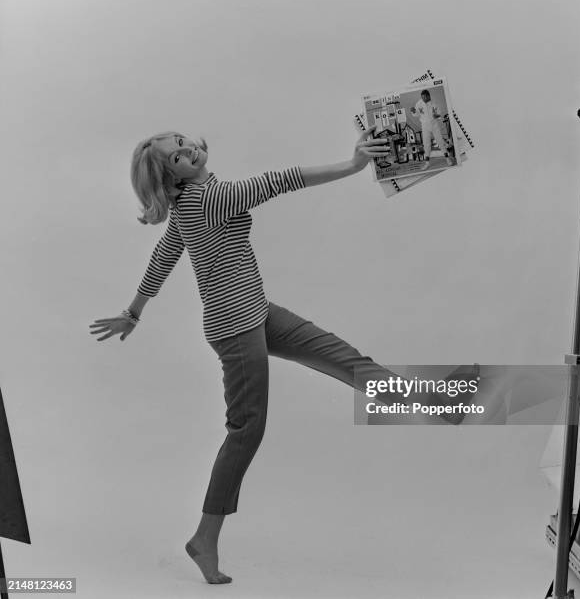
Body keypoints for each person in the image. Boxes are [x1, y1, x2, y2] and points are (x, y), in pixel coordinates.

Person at [89, 126, 476, 584]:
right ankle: (203, 539)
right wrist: (352, 166)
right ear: (171, 179)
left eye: (182, 142)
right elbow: (279, 180)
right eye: (176, 157)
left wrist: (132, 313)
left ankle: (427, 401)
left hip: (257, 311)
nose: (187, 150)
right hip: (236, 330)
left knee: (342, 357)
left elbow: (163, 257)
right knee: (246, 431)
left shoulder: (189, 205)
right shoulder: (209, 199)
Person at [410, 89, 454, 170]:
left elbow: (439, 113)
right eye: (422, 97)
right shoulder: (419, 103)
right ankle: (427, 163)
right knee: (426, 143)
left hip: (434, 125)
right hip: (425, 126)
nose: (423, 99)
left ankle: (447, 159)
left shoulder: (434, 103)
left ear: (428, 96)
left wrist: (436, 115)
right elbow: (416, 114)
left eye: (424, 97)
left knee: (440, 141)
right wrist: (413, 111)